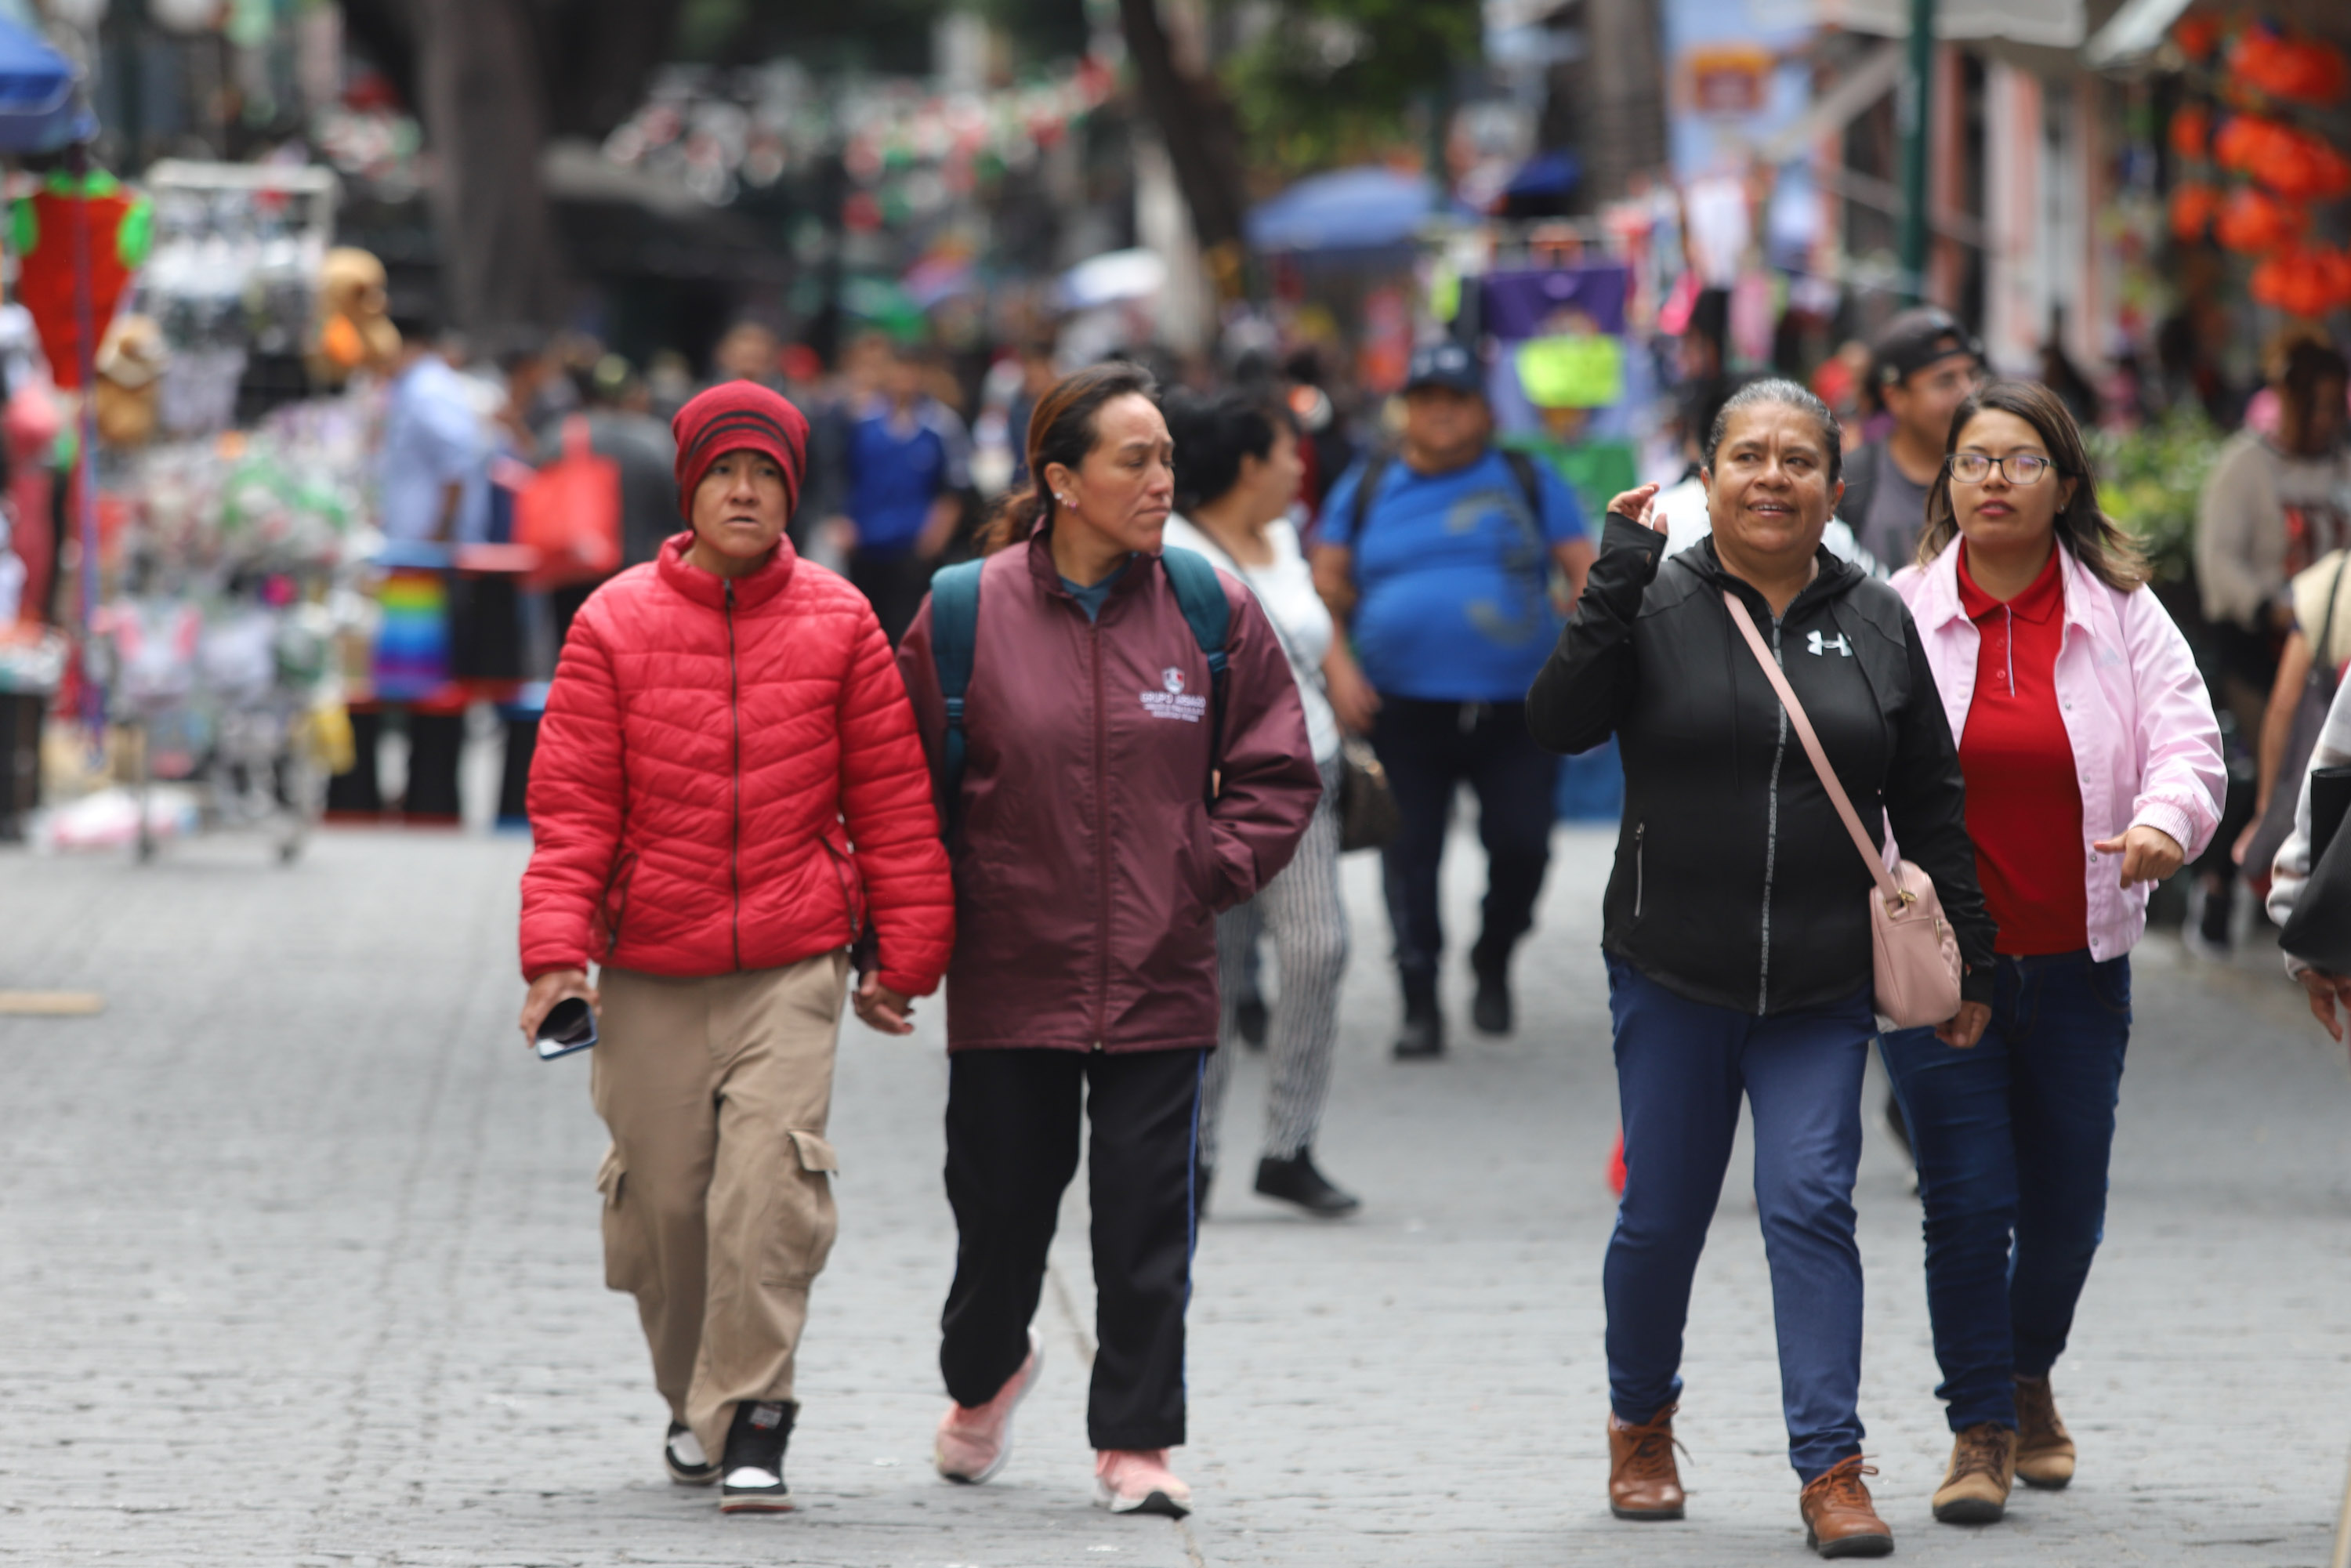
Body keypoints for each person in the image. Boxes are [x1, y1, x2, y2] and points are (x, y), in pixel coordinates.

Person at [1525, 378, 1996, 1559]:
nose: (1772, 476)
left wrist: (1975, 962)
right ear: (1706, 476)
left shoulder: (1879, 617)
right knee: (1664, 1214)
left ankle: (1830, 1468)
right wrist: (1615, 571)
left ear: (1837, 489)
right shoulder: (1653, 598)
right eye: (1747, 456)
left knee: (1810, 1205)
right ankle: (1642, 1424)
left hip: (1824, 985)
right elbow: (1559, 720)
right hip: (1672, 967)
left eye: (1798, 459)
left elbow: (1931, 806)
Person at [516, 381, 955, 1514]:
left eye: (765, 474)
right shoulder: (611, 620)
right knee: (665, 1207)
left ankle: (756, 1413)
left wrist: (903, 954)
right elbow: (571, 814)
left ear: (794, 493)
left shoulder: (841, 618)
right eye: (724, 473)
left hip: (792, 958)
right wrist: (555, 959)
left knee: (767, 1190)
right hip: (651, 962)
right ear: (691, 488)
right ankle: (694, 1403)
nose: (746, 492)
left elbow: (894, 801)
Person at [895, 362, 1320, 1519]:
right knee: (999, 1222)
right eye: (1135, 458)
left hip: (1161, 973)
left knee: (1145, 1227)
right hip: (1009, 971)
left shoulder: (1206, 604)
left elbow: (1281, 770)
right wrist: (898, 944)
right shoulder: (962, 610)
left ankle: (1136, 1441)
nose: (1161, 479)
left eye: (1167, 458)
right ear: (1061, 480)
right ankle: (985, 1377)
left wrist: (1204, 875)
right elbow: (900, 794)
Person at [1881, 381, 2223, 1526]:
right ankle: (1979, 1426)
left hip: (2080, 962)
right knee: (1968, 1204)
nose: (1992, 479)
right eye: (1973, 460)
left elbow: (2189, 738)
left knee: (2068, 1208)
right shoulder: (1901, 613)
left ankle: (2029, 1372)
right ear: (1947, 482)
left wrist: (2166, 822)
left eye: (2020, 461)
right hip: (1938, 970)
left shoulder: (2123, 611)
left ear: (2065, 484)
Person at [1311, 340, 1595, 1059]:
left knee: (1524, 843)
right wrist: (1338, 667)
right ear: (1406, 407)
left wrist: (1582, 654)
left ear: (1482, 410)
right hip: (1400, 708)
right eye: (1426, 397)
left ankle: (1494, 956)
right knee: (1409, 856)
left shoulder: (1529, 476)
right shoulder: (1369, 481)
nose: (1440, 411)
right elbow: (1321, 586)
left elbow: (1589, 575)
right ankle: (1418, 998)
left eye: (1456, 398)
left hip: (1518, 708)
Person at [1162, 389, 1369, 1218]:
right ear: (1248, 465)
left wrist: (1343, 668)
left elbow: (1308, 629)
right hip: (1208, 792)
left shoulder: (1284, 536)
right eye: (1287, 453)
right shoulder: (1173, 550)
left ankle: (1289, 1144)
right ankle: (1195, 1155)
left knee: (1319, 948)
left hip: (1304, 774)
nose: (1299, 467)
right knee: (1210, 978)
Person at [2192, 337, 2351, 949]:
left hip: (2330, 643)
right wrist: (2270, 603)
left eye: (2337, 407)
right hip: (2260, 643)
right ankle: (2221, 879)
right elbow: (2219, 562)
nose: (2328, 420)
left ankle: (2300, 893)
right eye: (2318, 406)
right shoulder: (2245, 466)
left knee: (2322, 768)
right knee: (2268, 761)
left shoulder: (2341, 464)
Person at [834, 340, 972, 643]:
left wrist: (936, 535)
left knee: (907, 632)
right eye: (897, 371)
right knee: (863, 631)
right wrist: (843, 522)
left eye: (911, 372)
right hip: (865, 542)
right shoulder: (860, 419)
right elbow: (841, 473)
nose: (903, 380)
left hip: (914, 547)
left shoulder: (942, 425)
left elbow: (955, 487)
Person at [1838, 308, 1984, 570]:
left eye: (1973, 376)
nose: (1968, 393)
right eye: (1945, 381)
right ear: (1895, 397)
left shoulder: (1997, 476)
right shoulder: (1850, 483)